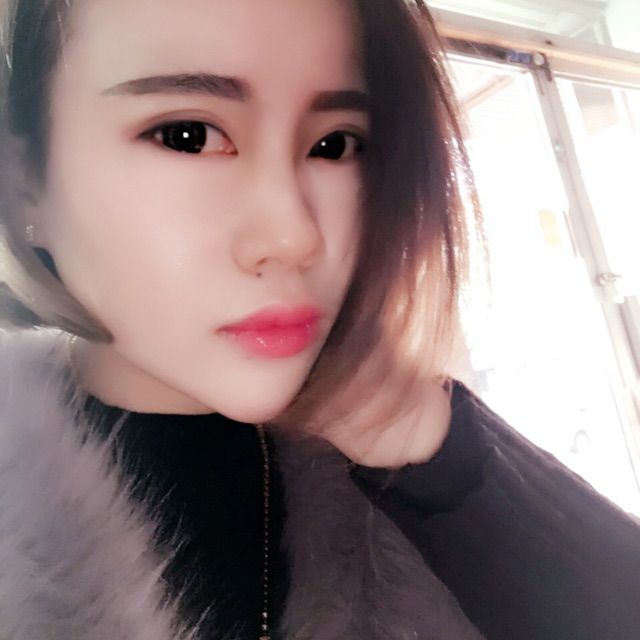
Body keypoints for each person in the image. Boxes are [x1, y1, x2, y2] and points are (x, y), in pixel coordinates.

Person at [0, 1, 639, 639]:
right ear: (24, 182)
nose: (295, 236)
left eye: (335, 145)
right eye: (187, 135)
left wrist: (429, 445)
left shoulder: (403, 466)